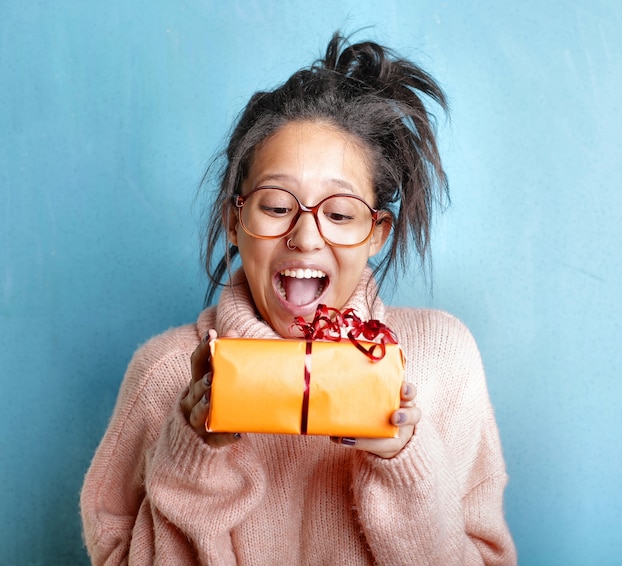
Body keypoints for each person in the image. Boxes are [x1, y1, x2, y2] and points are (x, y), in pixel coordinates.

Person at [81, 33, 517, 564]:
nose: (306, 237)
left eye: (339, 214)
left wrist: (405, 460)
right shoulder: (164, 375)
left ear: (376, 232)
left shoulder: (443, 361)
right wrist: (192, 454)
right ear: (233, 220)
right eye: (275, 205)